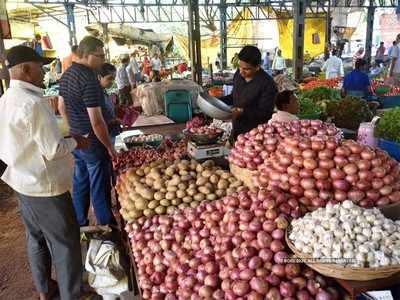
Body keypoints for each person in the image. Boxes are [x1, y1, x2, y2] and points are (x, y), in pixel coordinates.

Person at [0, 45, 88, 300]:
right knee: (66, 243)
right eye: (40, 67)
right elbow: (53, 149)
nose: (45, 71)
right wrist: (77, 141)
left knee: (36, 238)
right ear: (26, 70)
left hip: (20, 180)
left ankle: (44, 289)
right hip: (44, 187)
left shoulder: (5, 99)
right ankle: (72, 294)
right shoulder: (33, 103)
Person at [59, 36, 117, 227]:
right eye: (99, 56)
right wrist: (109, 146)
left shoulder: (66, 74)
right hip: (93, 143)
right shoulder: (89, 78)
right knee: (99, 187)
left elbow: (61, 107)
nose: (102, 60)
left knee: (81, 184)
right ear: (86, 54)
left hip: (77, 140)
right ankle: (106, 226)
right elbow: (97, 122)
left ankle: (80, 222)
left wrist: (74, 129)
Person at [221, 45, 277, 140]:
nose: (241, 72)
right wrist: (216, 102)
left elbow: (266, 113)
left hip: (256, 135)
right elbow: (233, 96)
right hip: (237, 129)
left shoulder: (267, 84)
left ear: (258, 67)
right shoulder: (238, 76)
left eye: (246, 69)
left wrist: (242, 111)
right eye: (240, 67)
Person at [98, 63, 121, 146]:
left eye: (113, 79)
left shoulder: (103, 91)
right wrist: (114, 120)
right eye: (109, 78)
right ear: (99, 77)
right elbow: (97, 120)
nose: (112, 82)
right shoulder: (95, 95)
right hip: (104, 136)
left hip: (110, 132)